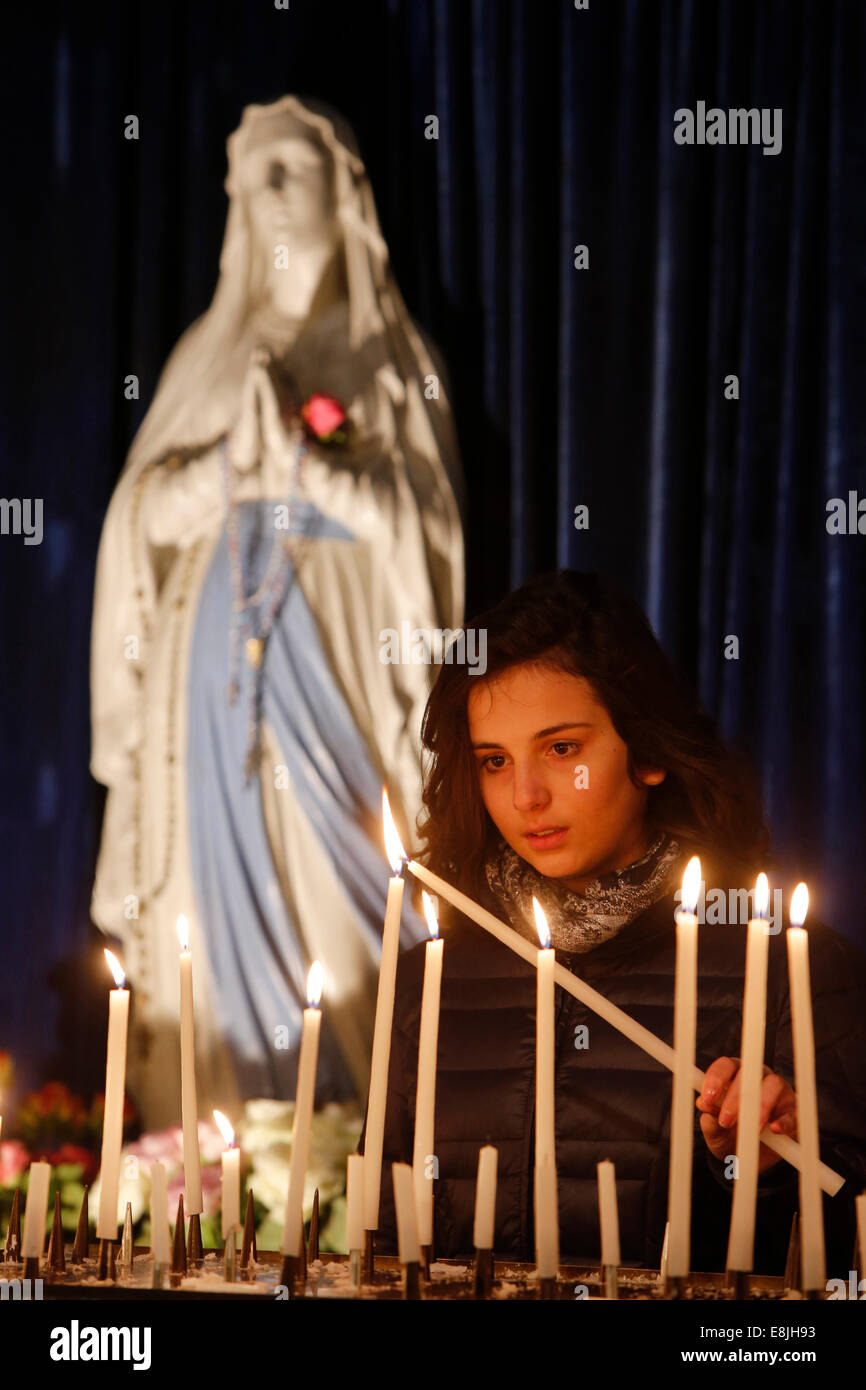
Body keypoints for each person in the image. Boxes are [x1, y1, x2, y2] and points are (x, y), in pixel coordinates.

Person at [89, 95, 464, 1130]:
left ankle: (358, 1146)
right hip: (208, 679)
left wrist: (314, 474)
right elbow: (138, 521)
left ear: (344, 190)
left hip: (338, 665)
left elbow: (426, 537)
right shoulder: (203, 359)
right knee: (209, 899)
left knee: (345, 889)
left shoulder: (391, 360)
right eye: (251, 178)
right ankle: (223, 1158)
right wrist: (222, 471)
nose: (268, 194)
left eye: (289, 168)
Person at [364, 569, 866, 1276]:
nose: (526, 795)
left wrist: (776, 1160)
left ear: (651, 750)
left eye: (562, 749)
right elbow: (381, 1250)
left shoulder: (791, 970)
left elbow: (848, 1249)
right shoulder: (429, 979)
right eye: (494, 761)